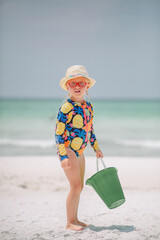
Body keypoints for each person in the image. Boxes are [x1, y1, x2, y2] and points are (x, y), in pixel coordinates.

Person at [55, 65, 103, 231]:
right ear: (67, 87)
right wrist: (63, 157)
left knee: (80, 187)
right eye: (72, 83)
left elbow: (90, 129)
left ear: (87, 86)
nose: (77, 87)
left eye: (81, 83)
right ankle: (69, 223)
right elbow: (59, 134)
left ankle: (75, 218)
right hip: (68, 149)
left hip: (80, 151)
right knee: (74, 187)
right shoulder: (66, 108)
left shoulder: (89, 107)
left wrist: (96, 148)